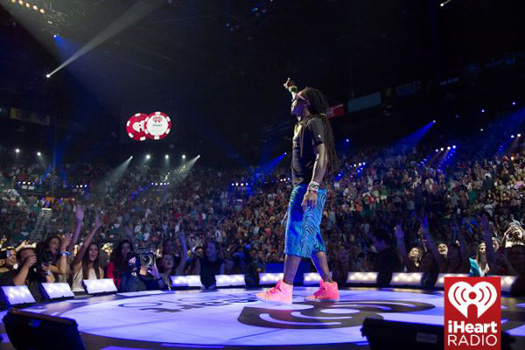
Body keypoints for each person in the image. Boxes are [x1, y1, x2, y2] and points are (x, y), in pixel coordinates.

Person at [257, 78, 340, 304]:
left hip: (307, 187)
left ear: (306, 104)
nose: (292, 100)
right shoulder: (303, 122)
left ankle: (285, 288)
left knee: (294, 232)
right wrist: (292, 89)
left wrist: (312, 188)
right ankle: (329, 286)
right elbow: (297, 97)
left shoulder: (314, 123)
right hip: (304, 187)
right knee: (313, 240)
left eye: (296, 98)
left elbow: (321, 157)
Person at [71, 215, 104, 292]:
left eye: (96, 250)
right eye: (91, 250)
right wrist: (95, 228)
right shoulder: (79, 264)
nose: (93, 252)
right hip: (77, 299)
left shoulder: (100, 270)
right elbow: (84, 246)